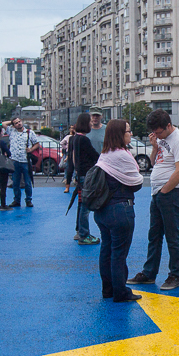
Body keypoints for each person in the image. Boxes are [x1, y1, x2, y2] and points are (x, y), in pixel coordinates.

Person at [129, 109, 179, 290]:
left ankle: (175, 275)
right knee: (154, 235)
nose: (156, 135)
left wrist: (164, 192)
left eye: (159, 132)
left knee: (172, 236)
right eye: (154, 132)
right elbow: (155, 162)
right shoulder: (162, 138)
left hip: (170, 193)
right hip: (158, 193)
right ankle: (149, 273)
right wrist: (155, 146)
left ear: (169, 125)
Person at [93, 119, 144, 303]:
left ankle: (108, 289)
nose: (131, 134)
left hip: (103, 211)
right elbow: (137, 182)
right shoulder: (122, 155)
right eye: (128, 131)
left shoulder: (105, 153)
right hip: (120, 210)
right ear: (120, 134)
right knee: (119, 253)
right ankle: (121, 292)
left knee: (106, 250)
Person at [68, 113, 100, 245]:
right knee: (85, 207)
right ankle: (84, 234)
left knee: (81, 204)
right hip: (86, 176)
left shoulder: (75, 138)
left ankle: (79, 231)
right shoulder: (84, 140)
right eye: (89, 122)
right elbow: (94, 155)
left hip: (80, 174)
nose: (91, 124)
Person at [6, 116, 38, 208]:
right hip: (15, 160)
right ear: (13, 125)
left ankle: (28, 200)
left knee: (27, 182)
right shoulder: (11, 131)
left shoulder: (29, 132)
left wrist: (31, 149)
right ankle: (17, 200)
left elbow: (36, 143)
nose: (19, 123)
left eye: (19, 121)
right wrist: (11, 122)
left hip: (25, 160)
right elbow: (3, 124)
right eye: (16, 123)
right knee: (15, 182)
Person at [61, 125, 75, 194]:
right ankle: (68, 186)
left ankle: (68, 186)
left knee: (69, 170)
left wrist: (65, 148)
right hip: (71, 155)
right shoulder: (70, 138)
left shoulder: (72, 137)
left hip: (71, 155)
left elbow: (62, 143)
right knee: (70, 171)